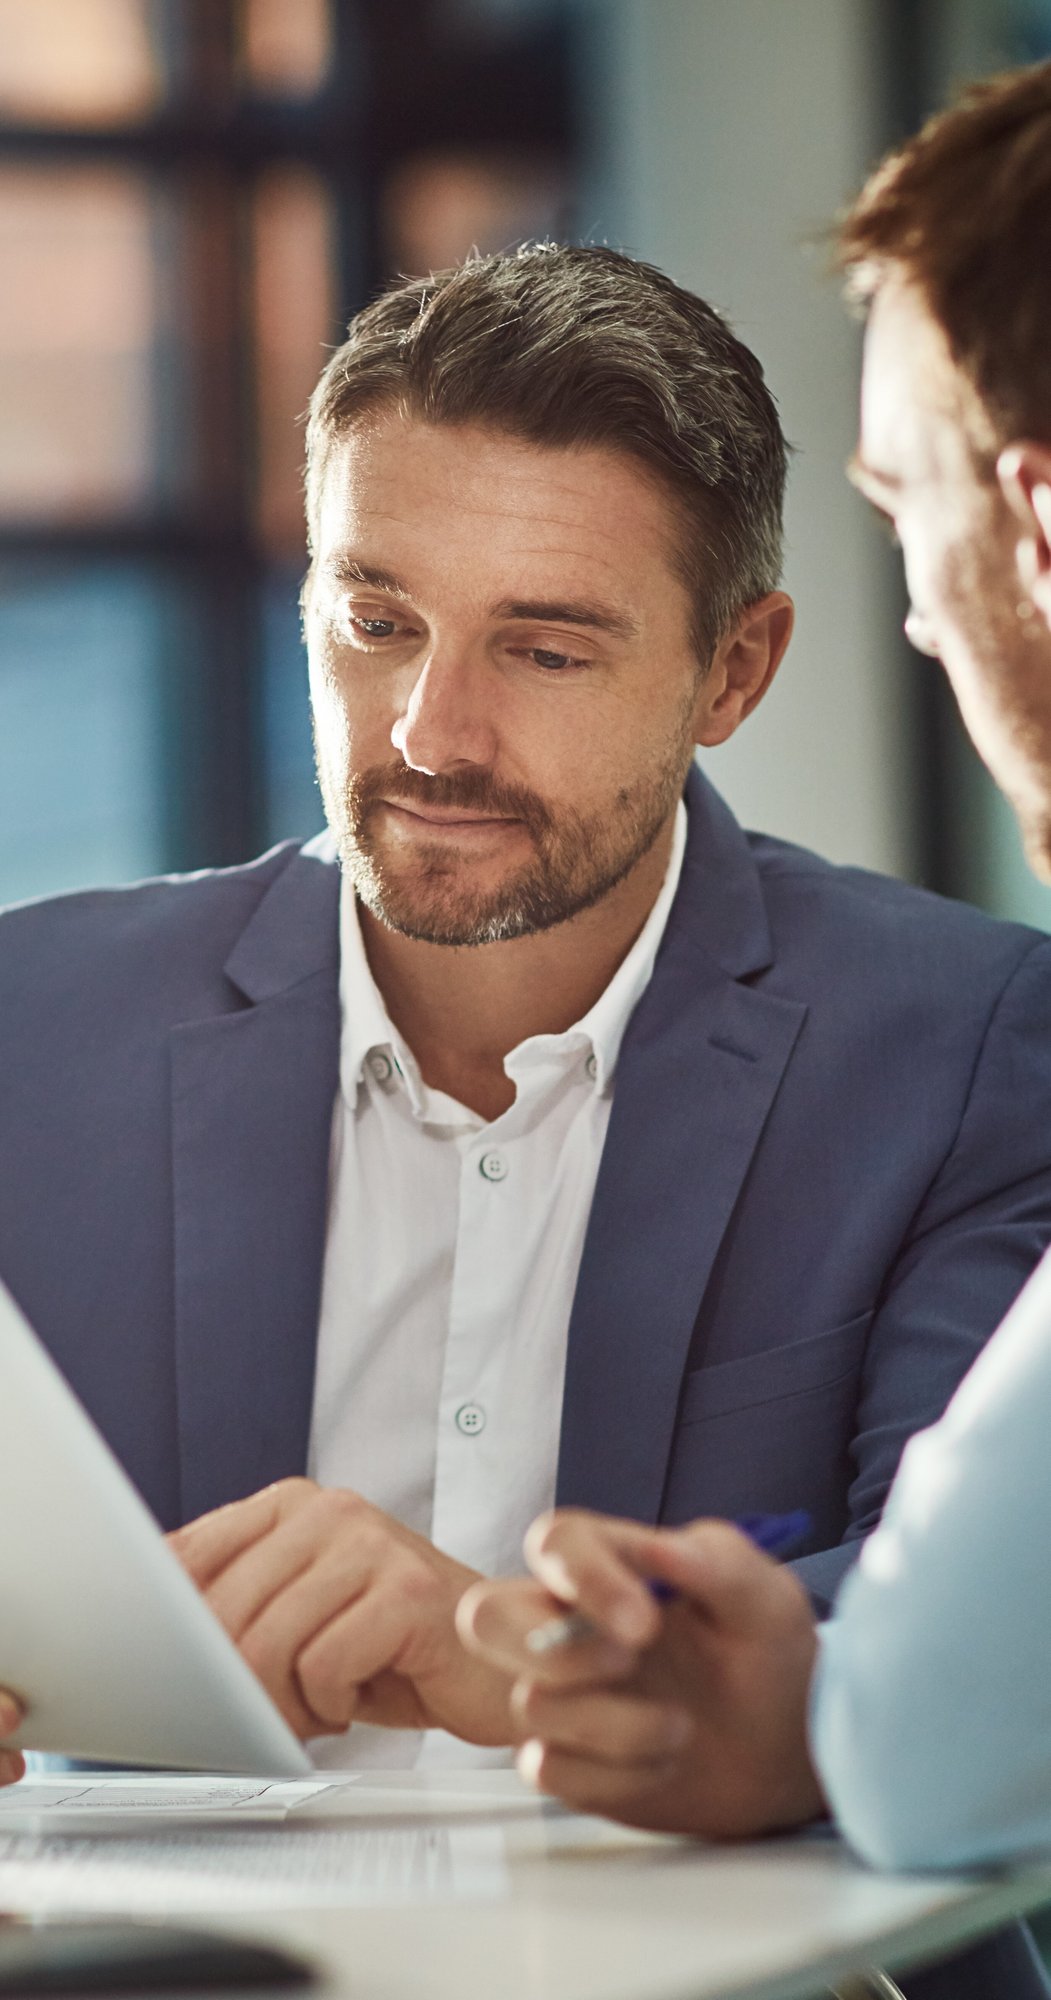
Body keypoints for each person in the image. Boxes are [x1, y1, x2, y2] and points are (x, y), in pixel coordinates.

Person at [1, 236, 1051, 1862]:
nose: (431, 734)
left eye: (545, 650)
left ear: (734, 671)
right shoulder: (35, 1024)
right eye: (376, 621)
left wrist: (499, 1649)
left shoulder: (971, 1043)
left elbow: (975, 1637)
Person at [459, 47, 1051, 1905]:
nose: (921, 615)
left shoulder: (963, 1034)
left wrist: (775, 1694)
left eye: (907, 511)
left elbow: (934, 1731)